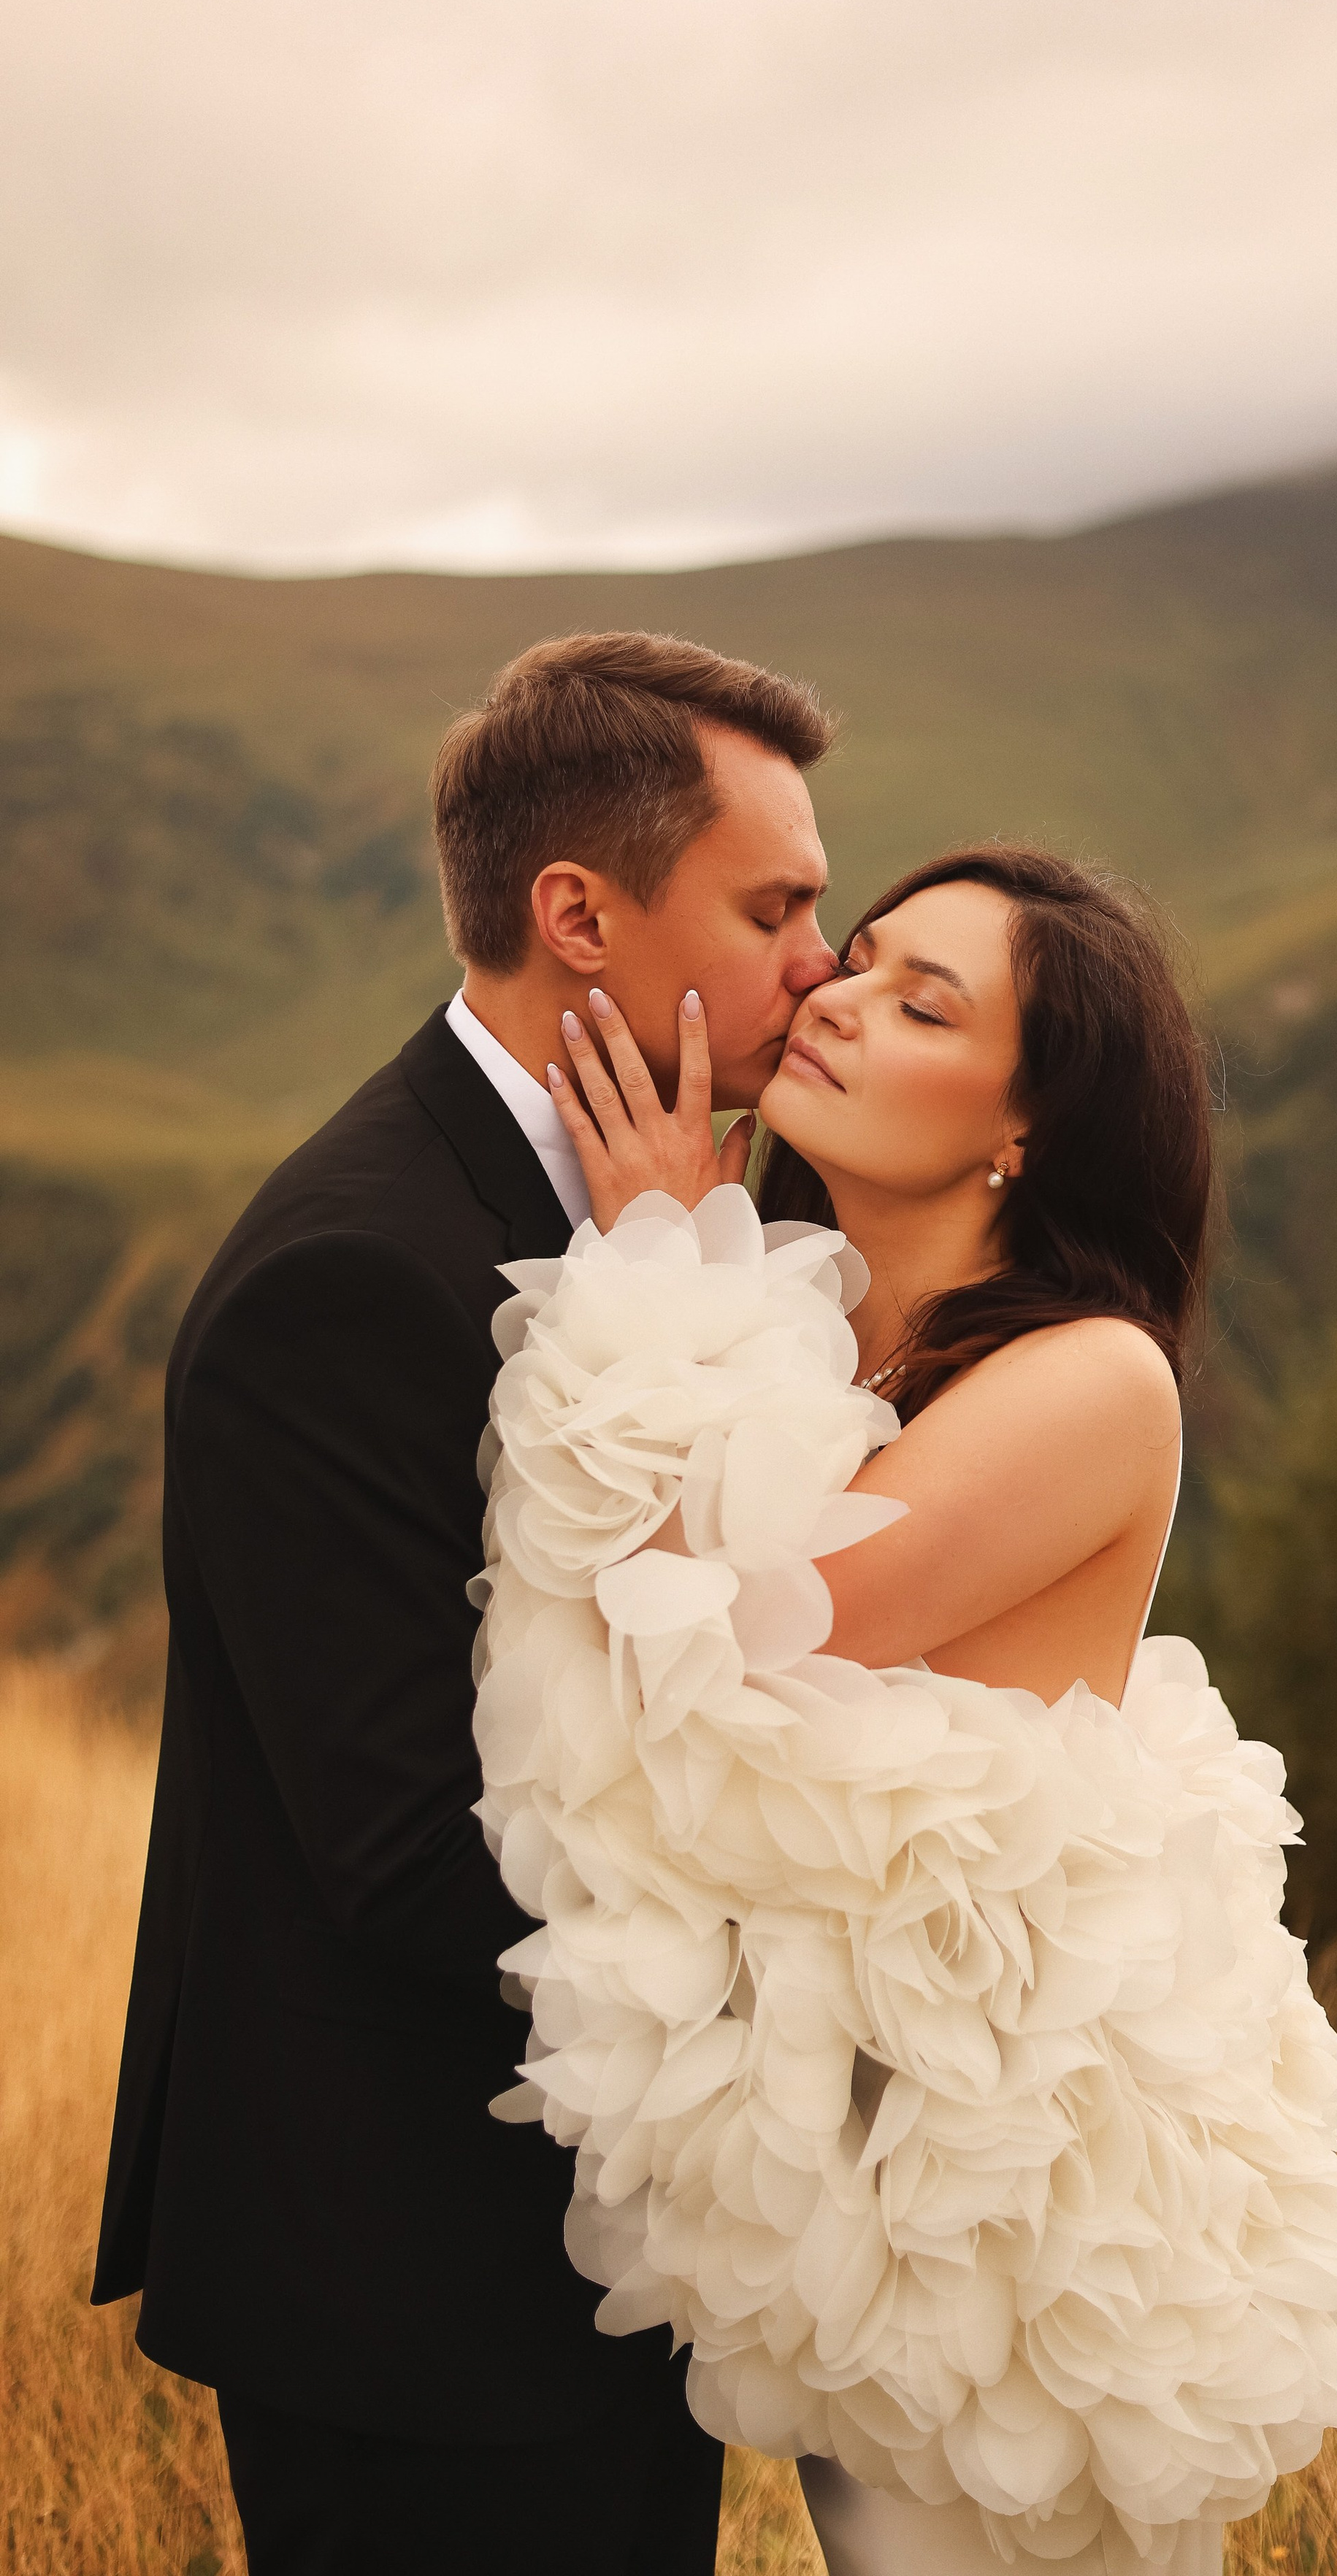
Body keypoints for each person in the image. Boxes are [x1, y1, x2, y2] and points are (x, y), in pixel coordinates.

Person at [478, 845, 1337, 2575]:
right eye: (858, 959)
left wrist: (657, 1250)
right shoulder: (836, 1356)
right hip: (853, 2177)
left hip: (1016, 2221)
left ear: (1019, 1128)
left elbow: (734, 1632)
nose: (837, 999)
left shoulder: (1090, 1377)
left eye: (920, 1001)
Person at [93, 629, 838, 2576]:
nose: (819, 965)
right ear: (578, 912)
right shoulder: (344, 1281)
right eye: (776, 908)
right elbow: (416, 1855)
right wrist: (829, 1967)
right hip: (407, 2287)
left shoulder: (698, 1207)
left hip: (597, 2267)